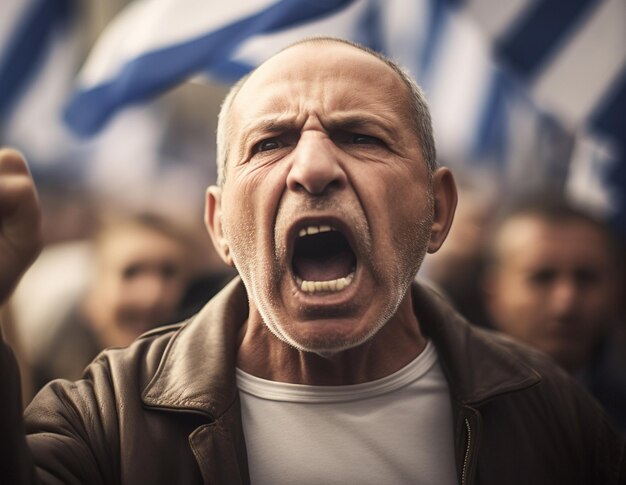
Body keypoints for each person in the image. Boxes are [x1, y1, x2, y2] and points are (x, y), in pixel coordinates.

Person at [0, 38, 624, 484]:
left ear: (437, 210)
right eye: (271, 142)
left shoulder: (548, 411)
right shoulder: (105, 422)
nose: (314, 168)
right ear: (219, 225)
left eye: (361, 136)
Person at [482, 196, 626, 433]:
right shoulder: (454, 410)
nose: (566, 303)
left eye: (586, 277)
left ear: (617, 290)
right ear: (494, 295)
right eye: (542, 277)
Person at [29, 213, 196, 391]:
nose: (151, 296)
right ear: (92, 300)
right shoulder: (44, 394)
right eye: (131, 273)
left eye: (168, 273)